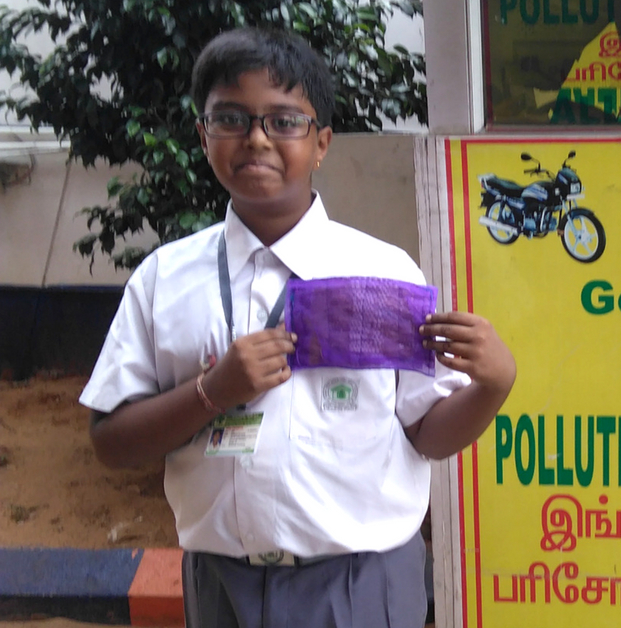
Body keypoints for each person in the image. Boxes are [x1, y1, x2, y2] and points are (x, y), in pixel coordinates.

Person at [79, 27, 516, 628]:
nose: (256, 138)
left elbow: (426, 434)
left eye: (284, 121)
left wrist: (492, 387)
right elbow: (111, 441)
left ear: (322, 143)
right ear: (203, 134)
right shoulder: (163, 279)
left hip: (361, 584)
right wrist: (214, 392)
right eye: (231, 118)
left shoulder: (382, 272)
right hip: (221, 583)